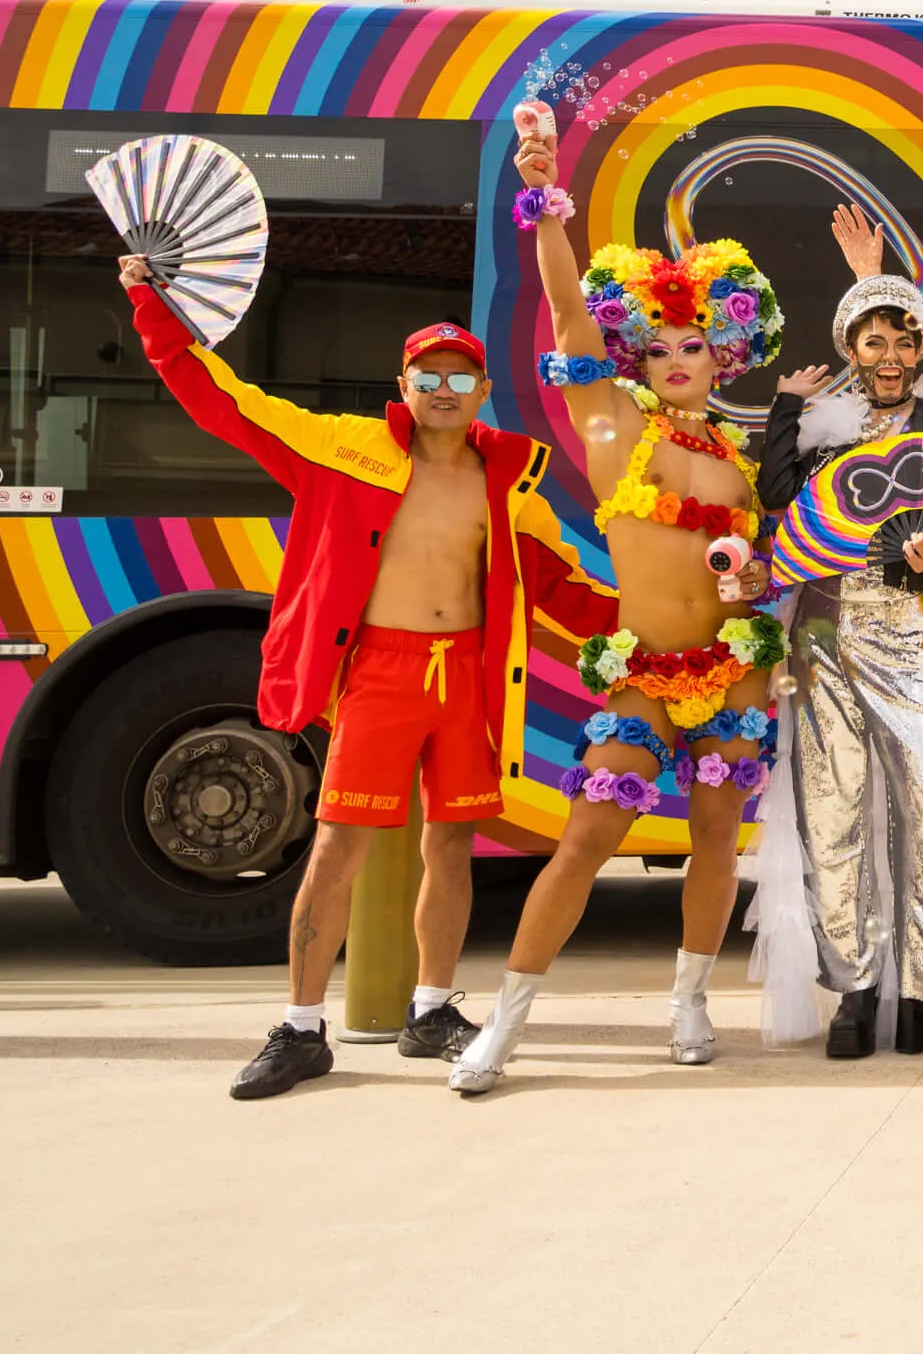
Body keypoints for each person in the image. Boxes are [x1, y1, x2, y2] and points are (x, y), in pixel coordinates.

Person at [122, 266, 615, 1100]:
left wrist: (667, 624)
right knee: (338, 845)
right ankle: (302, 1027)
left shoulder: (508, 478)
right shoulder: (340, 449)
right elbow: (222, 400)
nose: (446, 390)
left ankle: (430, 1010)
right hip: (381, 673)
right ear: (405, 385)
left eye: (461, 377)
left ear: (484, 388)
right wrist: (152, 308)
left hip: (467, 677)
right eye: (430, 376)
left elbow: (560, 586)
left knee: (452, 843)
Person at [449, 157, 787, 1095]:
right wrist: (546, 203)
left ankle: (690, 1002)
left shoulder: (738, 461)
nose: (680, 360)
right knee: (587, 840)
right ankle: (505, 1027)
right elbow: (564, 319)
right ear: (637, 357)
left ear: (723, 355)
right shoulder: (613, 432)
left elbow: (756, 574)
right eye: (662, 348)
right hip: (644, 671)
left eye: (696, 346)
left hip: (735, 667)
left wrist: (753, 573)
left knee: (717, 841)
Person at [745, 204, 923, 1062]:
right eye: (872, 342)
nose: (888, 358)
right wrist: (784, 408)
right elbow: (777, 496)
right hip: (820, 633)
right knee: (834, 811)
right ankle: (853, 990)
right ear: (851, 348)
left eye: (903, 343)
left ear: (920, 351)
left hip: (904, 629)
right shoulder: (821, 427)